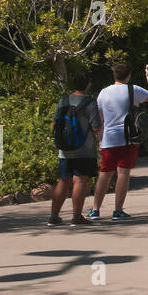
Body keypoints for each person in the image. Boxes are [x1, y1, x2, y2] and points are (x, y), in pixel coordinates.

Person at [90, 61, 148, 221]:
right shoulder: (132, 90)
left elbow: (100, 119)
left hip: (109, 138)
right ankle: (118, 210)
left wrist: (100, 139)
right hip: (128, 138)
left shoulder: (103, 93)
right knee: (123, 174)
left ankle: (95, 210)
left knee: (104, 175)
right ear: (128, 75)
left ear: (114, 75)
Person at [48, 71, 103, 227]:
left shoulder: (63, 101)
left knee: (63, 180)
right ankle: (76, 216)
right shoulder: (90, 103)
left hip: (64, 149)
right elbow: (96, 127)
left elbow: (55, 123)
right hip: (84, 150)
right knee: (80, 180)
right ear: (87, 85)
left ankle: (53, 216)